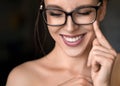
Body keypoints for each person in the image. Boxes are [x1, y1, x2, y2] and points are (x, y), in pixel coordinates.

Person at [6, 0, 120, 86]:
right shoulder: (22, 79)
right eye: (56, 13)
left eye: (83, 12)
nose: (70, 28)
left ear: (102, 9)